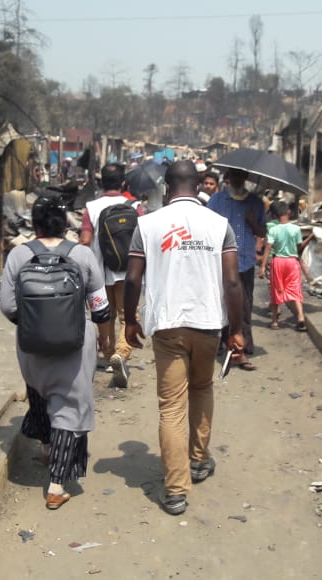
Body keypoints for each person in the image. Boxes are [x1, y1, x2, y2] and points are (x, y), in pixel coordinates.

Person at [123, 160, 245, 516]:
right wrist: (235, 329)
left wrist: (130, 321)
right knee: (202, 389)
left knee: (172, 406)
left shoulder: (146, 225)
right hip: (208, 323)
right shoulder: (219, 224)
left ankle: (175, 491)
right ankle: (198, 459)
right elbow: (233, 282)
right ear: (197, 186)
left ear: (166, 186)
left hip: (168, 326)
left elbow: (132, 280)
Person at [0, 194, 113, 510]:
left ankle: (48, 447)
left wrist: (35, 324)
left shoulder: (18, 256)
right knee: (68, 409)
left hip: (30, 348)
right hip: (74, 349)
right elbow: (101, 309)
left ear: (34, 224)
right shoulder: (82, 255)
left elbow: (8, 306)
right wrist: (97, 334)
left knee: (39, 390)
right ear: (66, 224)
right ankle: (56, 486)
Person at [80, 163, 141, 387]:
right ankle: (122, 354)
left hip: (98, 271)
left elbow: (86, 240)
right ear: (123, 183)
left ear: (101, 182)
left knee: (104, 315)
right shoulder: (134, 205)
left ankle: (107, 355)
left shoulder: (91, 207)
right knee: (128, 315)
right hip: (128, 271)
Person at [206, 168, 266, 370]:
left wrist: (251, 221)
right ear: (228, 178)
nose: (238, 179)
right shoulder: (217, 201)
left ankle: (242, 347)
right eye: (234, 176)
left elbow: (262, 231)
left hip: (246, 260)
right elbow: (205, 228)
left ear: (245, 178)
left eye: (241, 176)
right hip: (220, 259)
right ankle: (222, 343)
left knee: (245, 304)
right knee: (220, 302)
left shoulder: (255, 203)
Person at [259, 201, 314, 332]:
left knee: (277, 290)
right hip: (292, 262)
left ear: (274, 215)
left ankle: (274, 321)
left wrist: (262, 267)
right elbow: (299, 246)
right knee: (295, 290)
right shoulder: (295, 229)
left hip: (278, 262)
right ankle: (301, 317)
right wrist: (311, 237)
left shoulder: (273, 229)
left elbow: (268, 248)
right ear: (288, 212)